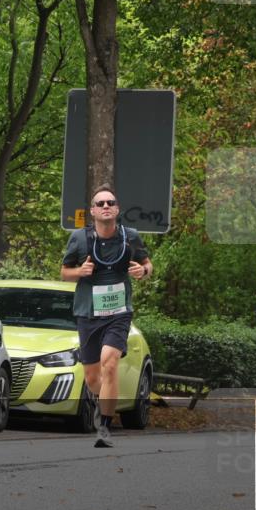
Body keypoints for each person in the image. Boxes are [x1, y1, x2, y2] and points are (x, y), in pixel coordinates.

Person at [61, 186, 152, 448]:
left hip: (118, 312)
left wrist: (142, 271)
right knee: (92, 377)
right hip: (88, 313)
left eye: (110, 202)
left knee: (109, 363)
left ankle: (105, 426)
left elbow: (147, 264)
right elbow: (64, 272)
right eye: (100, 203)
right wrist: (80, 271)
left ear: (117, 209)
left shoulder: (130, 237)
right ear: (92, 211)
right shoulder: (79, 238)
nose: (105, 206)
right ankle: (105, 401)